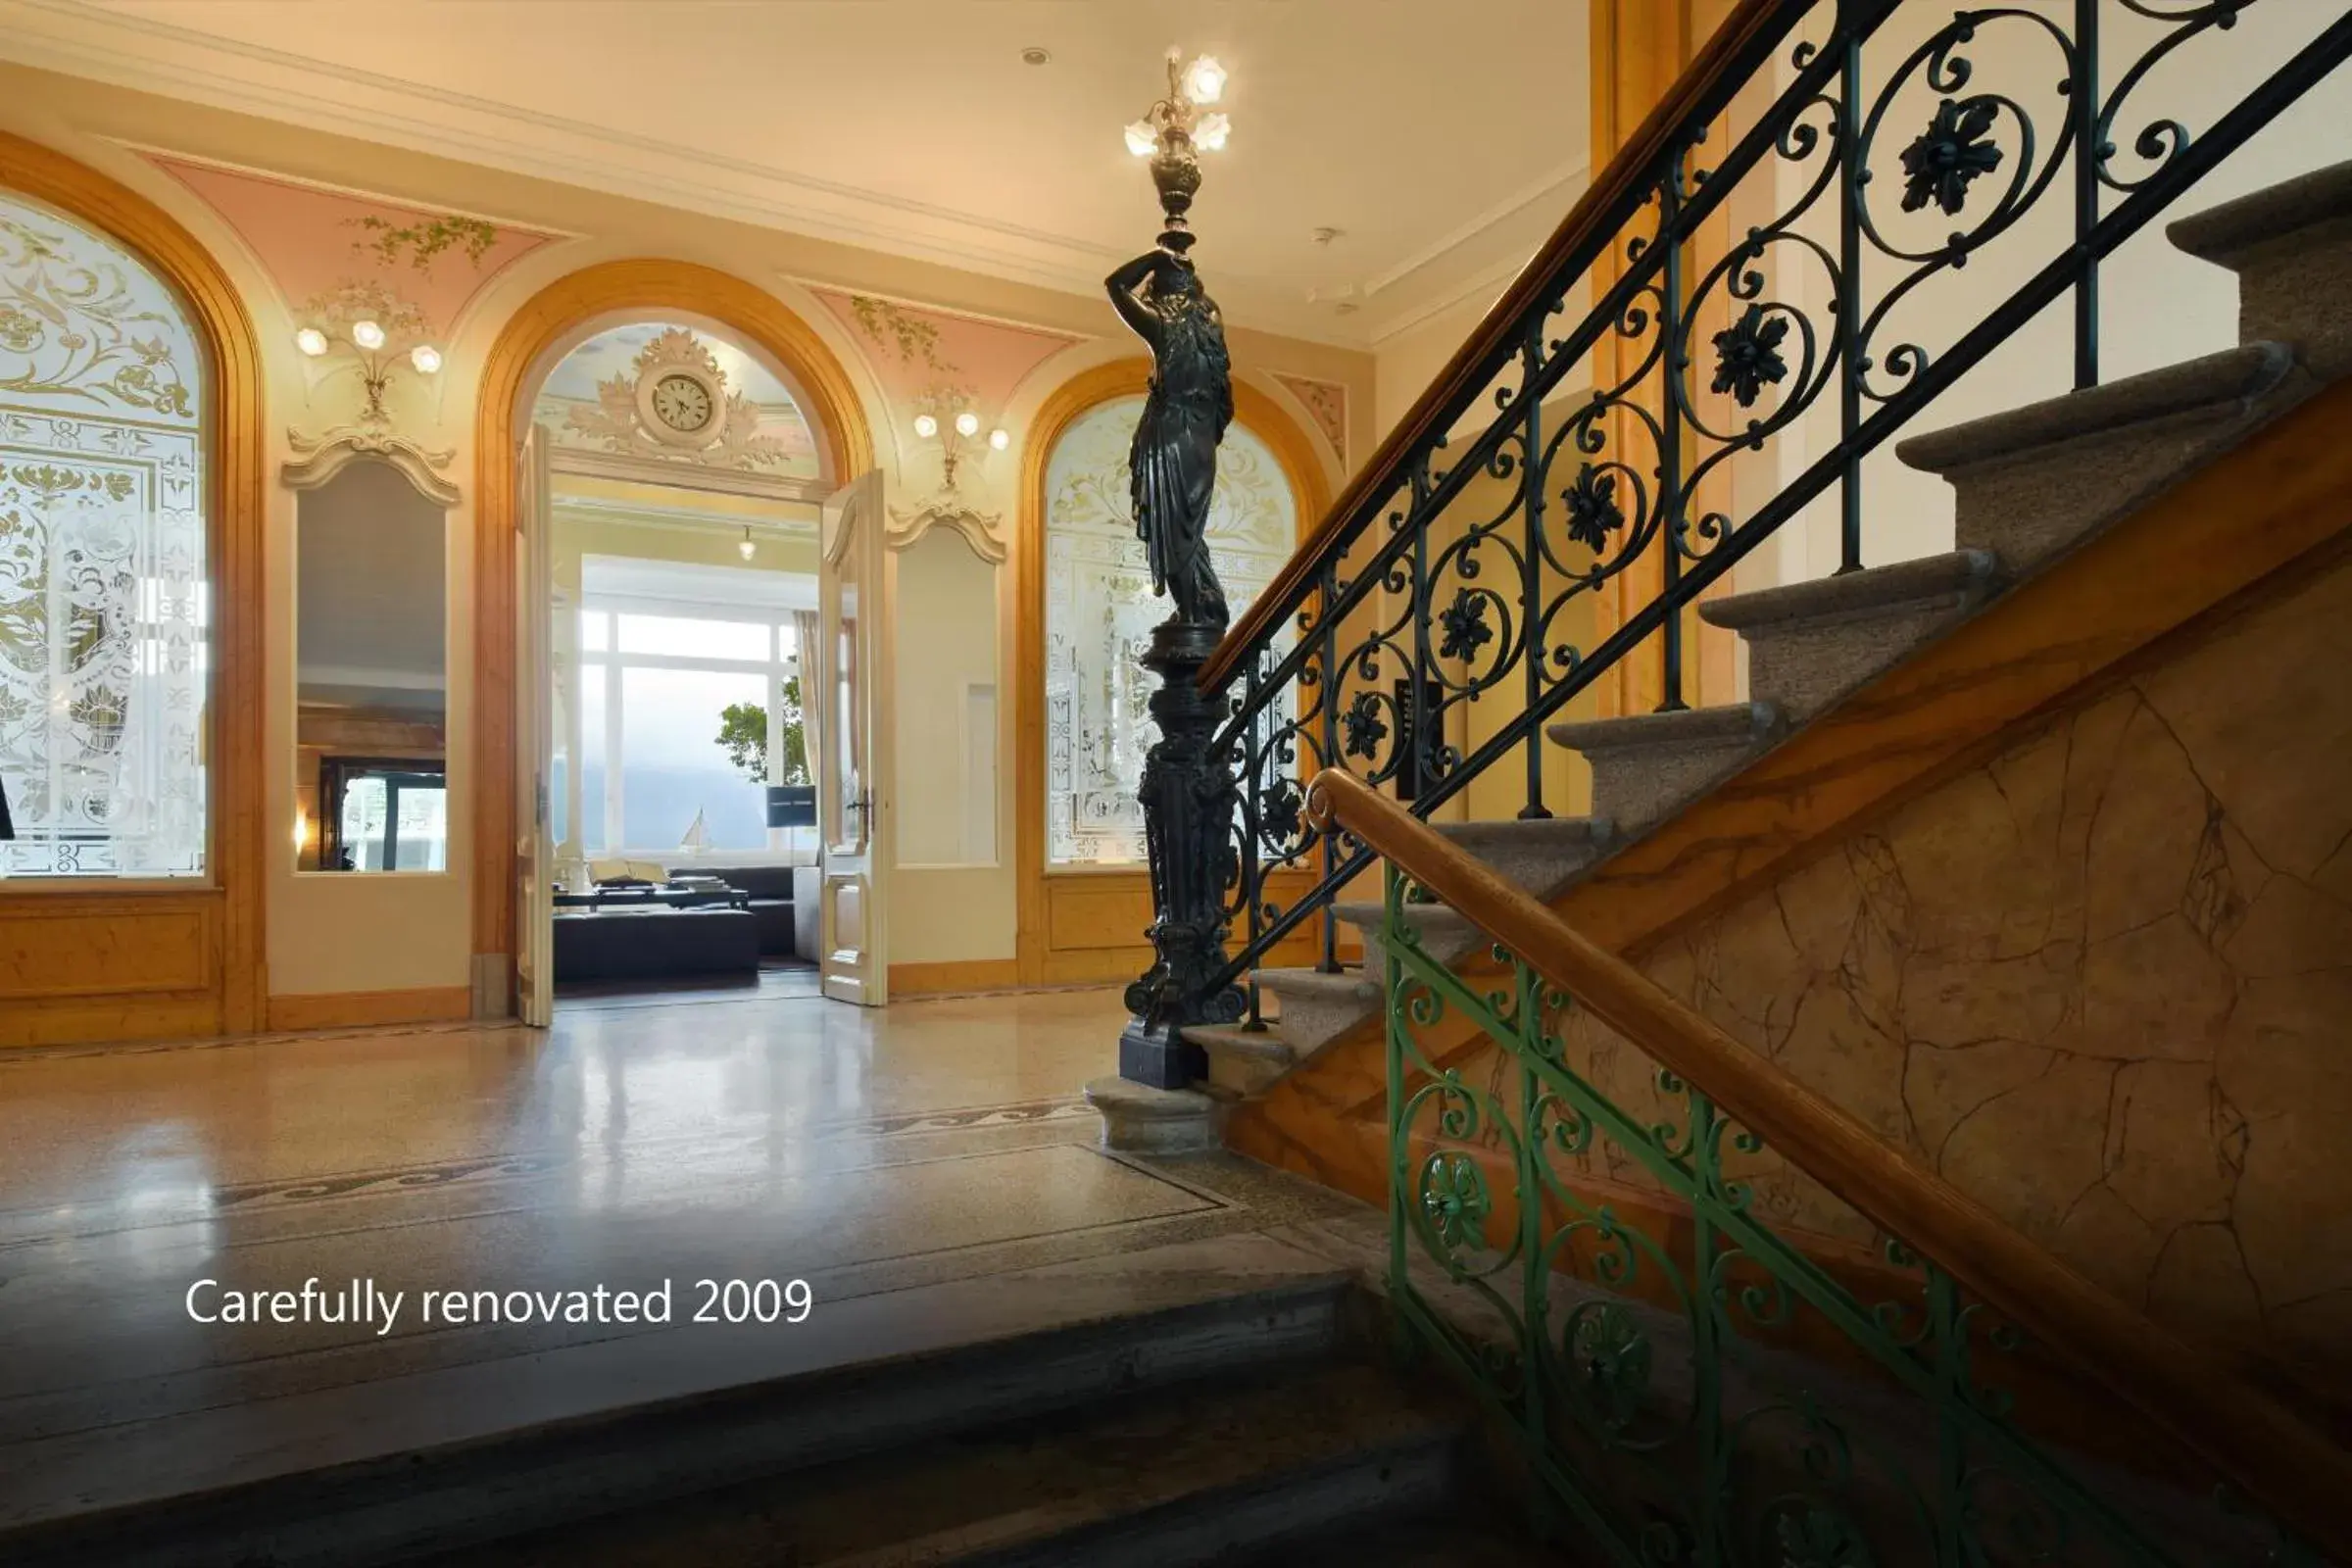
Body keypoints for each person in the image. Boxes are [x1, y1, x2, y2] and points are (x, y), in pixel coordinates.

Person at [1104, 245, 1234, 630]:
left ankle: (1195, 611)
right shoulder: (1211, 319)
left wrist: (1155, 257)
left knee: (1169, 522)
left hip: (1170, 430)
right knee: (1187, 527)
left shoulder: (1160, 323)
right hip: (1201, 435)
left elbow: (1115, 285)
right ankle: (1200, 607)